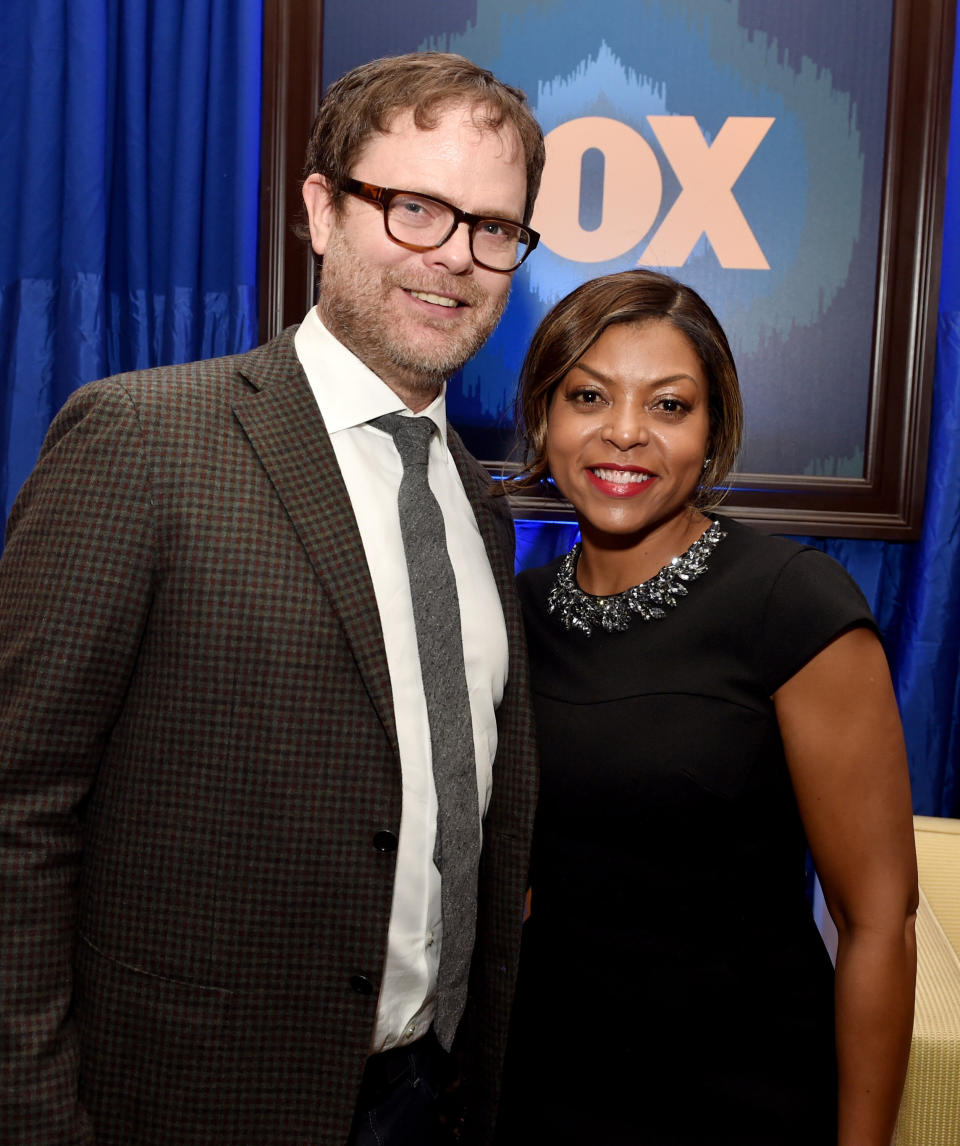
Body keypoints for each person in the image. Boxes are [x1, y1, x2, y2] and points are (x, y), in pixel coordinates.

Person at [0, 52, 543, 1146]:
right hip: (184, 1101)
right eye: (416, 208)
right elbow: (17, 810)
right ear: (321, 211)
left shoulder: (480, 508)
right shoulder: (142, 442)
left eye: (494, 228)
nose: (458, 259)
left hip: (427, 1101)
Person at [495, 270, 918, 1145]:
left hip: (739, 1096)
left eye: (669, 406)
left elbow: (876, 922)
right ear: (545, 418)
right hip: (543, 1089)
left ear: (713, 430)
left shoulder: (792, 604)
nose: (623, 433)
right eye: (588, 396)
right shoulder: (513, 611)